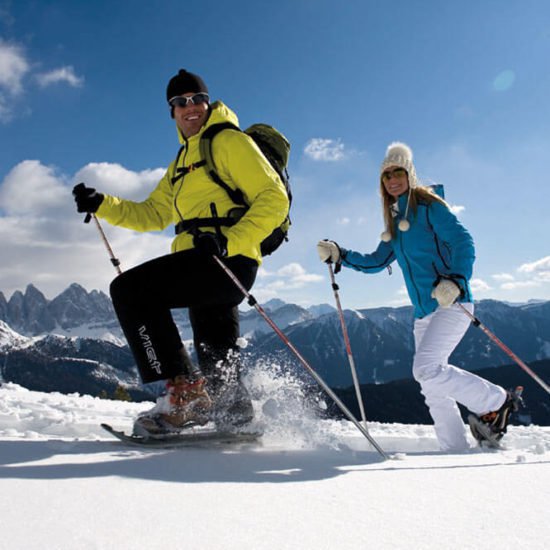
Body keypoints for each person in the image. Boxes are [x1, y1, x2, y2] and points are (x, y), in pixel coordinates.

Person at [73, 69, 289, 436]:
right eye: (180, 102)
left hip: (226, 259)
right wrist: (102, 203)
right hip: (205, 262)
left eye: (197, 99)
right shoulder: (181, 163)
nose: (190, 107)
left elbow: (274, 200)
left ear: (208, 102)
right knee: (217, 356)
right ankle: (234, 414)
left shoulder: (228, 142)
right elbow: (153, 213)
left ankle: (186, 396)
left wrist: (229, 241)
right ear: (171, 111)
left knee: (130, 291)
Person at [317, 142, 520, 452]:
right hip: (423, 313)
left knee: (425, 369)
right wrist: (340, 254)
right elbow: (376, 261)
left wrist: (455, 279)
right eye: (387, 175)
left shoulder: (430, 208)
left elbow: (463, 241)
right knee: (430, 383)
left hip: (452, 302)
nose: (393, 179)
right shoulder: (396, 222)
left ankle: (496, 402)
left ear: (410, 174)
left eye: (398, 172)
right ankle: (454, 448)